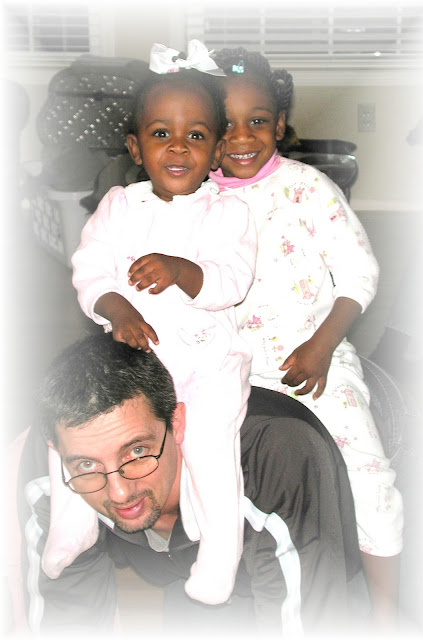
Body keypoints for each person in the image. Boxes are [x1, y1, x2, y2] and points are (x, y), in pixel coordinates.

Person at [209, 47, 404, 627]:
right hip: (226, 368)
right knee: (217, 474)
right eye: (223, 123)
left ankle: (387, 613)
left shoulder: (308, 188)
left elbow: (359, 273)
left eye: (257, 120)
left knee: (368, 475)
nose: (241, 136)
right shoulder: (194, 198)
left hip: (315, 360)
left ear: (280, 126)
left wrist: (322, 348)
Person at [68, 40, 257, 606]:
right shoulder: (119, 206)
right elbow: (89, 270)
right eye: (160, 133)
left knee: (210, 449)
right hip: (138, 364)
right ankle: (74, 522)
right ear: (135, 146)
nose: (178, 146)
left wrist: (182, 270)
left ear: (217, 150)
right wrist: (116, 307)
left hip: (208, 365)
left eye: (195, 135)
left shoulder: (229, 213)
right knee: (80, 417)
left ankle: (220, 552)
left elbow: (232, 280)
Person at [17, 332, 362, 635]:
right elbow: (68, 617)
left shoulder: (272, 458)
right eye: (88, 465)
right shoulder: (60, 464)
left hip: (320, 562)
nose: (119, 493)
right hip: (191, 577)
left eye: (137, 451)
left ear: (177, 422)